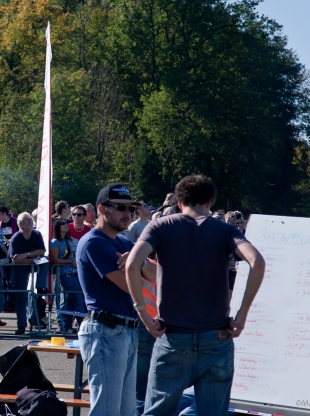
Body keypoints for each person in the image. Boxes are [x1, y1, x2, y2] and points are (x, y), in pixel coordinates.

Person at [126, 175, 265, 415]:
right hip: (216, 337)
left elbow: (131, 265)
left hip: (172, 336)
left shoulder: (160, 226)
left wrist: (144, 315)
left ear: (179, 202)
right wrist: (242, 313)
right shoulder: (225, 230)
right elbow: (257, 262)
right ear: (210, 202)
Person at [75, 183, 145, 416]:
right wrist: (138, 270)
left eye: (131, 209)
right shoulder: (94, 241)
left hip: (125, 329)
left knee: (127, 412)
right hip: (106, 330)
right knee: (107, 411)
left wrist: (139, 264)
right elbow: (131, 286)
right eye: (121, 207)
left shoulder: (124, 242)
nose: (128, 214)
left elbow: (156, 276)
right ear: (102, 209)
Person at [8, 212, 46, 335]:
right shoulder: (16, 238)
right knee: (21, 297)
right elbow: (15, 259)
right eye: (27, 220)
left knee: (46, 261)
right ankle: (21, 325)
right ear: (20, 225)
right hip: (20, 268)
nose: (30, 221)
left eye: (30, 219)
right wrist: (32, 259)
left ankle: (41, 286)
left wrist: (26, 255)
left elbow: (42, 251)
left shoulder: (36, 234)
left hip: (32, 263)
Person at [49, 218, 84, 334]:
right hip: (64, 275)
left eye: (66, 223)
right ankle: (81, 325)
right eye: (62, 223)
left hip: (75, 273)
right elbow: (56, 259)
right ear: (57, 227)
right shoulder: (55, 242)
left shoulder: (72, 240)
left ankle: (66, 326)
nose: (66, 225)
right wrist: (70, 261)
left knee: (68, 301)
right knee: (78, 298)